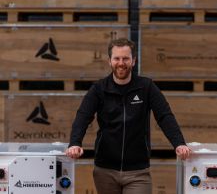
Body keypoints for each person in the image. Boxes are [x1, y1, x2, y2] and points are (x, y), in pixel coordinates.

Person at [66, 38, 191, 194]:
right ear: (109, 61)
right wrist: (74, 143)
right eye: (116, 58)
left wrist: (179, 143)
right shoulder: (99, 89)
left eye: (125, 58)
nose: (121, 63)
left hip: (138, 172)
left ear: (133, 61)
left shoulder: (146, 87)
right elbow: (83, 116)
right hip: (105, 170)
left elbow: (165, 116)